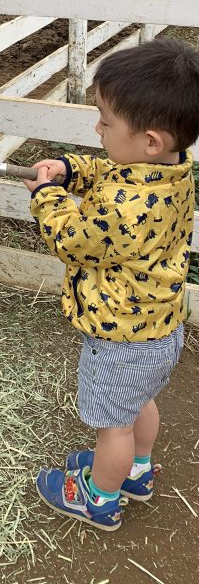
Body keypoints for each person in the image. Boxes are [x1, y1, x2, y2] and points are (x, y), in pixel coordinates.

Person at [24, 37, 198, 531]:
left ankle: (99, 497)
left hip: (119, 335)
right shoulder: (173, 171)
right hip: (159, 328)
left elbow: (74, 240)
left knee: (112, 425)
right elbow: (111, 171)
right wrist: (72, 169)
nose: (96, 129)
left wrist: (47, 197)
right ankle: (137, 474)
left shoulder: (124, 207)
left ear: (150, 140)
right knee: (139, 401)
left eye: (105, 121)